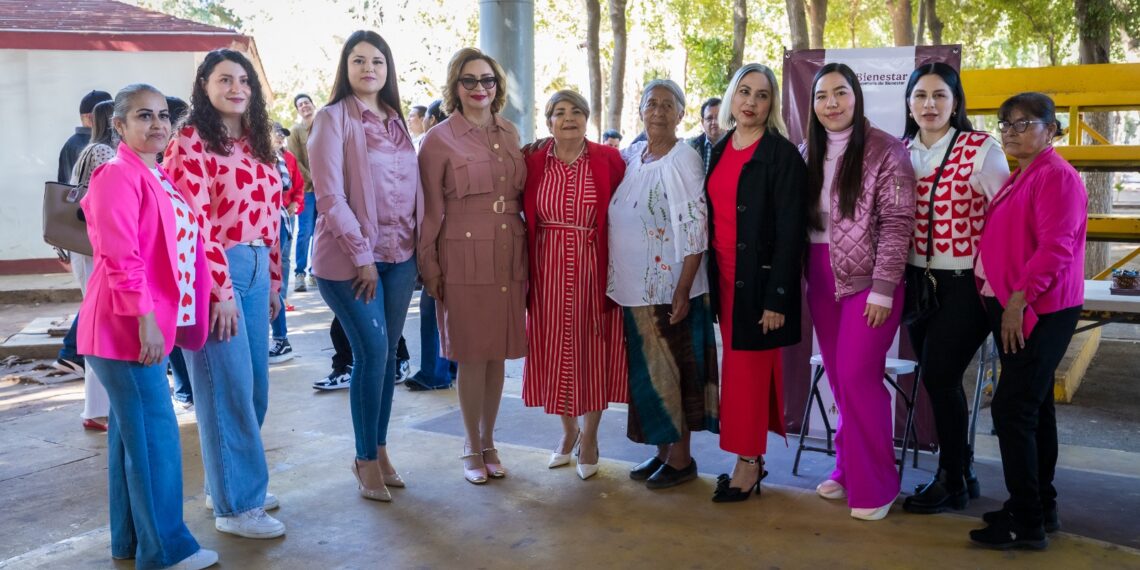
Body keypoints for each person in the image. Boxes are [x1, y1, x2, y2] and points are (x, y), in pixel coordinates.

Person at [78, 83, 218, 570]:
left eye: (163, 115)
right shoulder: (116, 176)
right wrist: (146, 323)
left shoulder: (155, 175)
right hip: (125, 329)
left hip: (138, 326)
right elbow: (121, 259)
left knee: (128, 440)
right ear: (119, 126)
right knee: (157, 437)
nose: (157, 124)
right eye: (143, 116)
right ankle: (167, 551)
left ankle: (131, 543)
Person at [163, 48, 286, 539]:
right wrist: (218, 291)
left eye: (243, 80)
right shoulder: (190, 140)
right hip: (218, 271)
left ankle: (228, 481)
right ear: (204, 86)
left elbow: (272, 214)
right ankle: (237, 506)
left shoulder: (258, 142)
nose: (236, 87)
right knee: (226, 387)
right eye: (224, 79)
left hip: (257, 266)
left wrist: (274, 281)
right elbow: (194, 223)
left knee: (254, 388)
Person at [968, 93, 1086, 550]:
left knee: (1012, 410)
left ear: (1051, 128)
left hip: (1039, 308)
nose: (1012, 131)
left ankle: (1026, 519)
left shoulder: (1056, 176)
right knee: (1035, 408)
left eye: (1023, 123)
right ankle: (1041, 504)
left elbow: (1056, 248)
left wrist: (1017, 302)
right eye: (1006, 124)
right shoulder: (1025, 174)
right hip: (1023, 304)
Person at [308, 30, 422, 501]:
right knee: (372, 353)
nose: (369, 68)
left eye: (377, 60)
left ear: (388, 69)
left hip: (401, 258)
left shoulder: (397, 122)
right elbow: (330, 197)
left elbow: (408, 191)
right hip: (349, 263)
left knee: (389, 356)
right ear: (346, 68)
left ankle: (379, 447)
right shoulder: (332, 120)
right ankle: (364, 458)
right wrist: (362, 256)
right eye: (358, 60)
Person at [803, 63, 916, 521]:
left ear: (857, 96)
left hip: (869, 283)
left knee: (857, 377)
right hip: (820, 276)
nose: (832, 103)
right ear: (812, 105)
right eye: (822, 96)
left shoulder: (886, 150)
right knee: (838, 380)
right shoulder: (804, 150)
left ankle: (879, 484)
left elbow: (897, 224)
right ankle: (848, 467)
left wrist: (884, 289)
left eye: (841, 92)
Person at [899, 63, 1010, 515]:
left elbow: (1006, 218)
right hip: (915, 280)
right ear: (908, 103)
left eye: (939, 95)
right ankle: (960, 473)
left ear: (956, 101)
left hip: (966, 281)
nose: (929, 104)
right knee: (937, 379)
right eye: (920, 95)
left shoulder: (981, 148)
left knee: (940, 374)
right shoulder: (900, 152)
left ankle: (951, 476)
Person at [418, 47, 527, 485]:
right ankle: (469, 443)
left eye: (487, 80)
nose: (480, 88)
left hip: (508, 250)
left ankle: (489, 440)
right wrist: (429, 264)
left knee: (497, 351)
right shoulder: (439, 138)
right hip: (462, 254)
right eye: (470, 80)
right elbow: (427, 209)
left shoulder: (511, 133)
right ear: (455, 87)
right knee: (470, 352)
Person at [609, 79, 718, 490]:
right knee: (648, 377)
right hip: (634, 288)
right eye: (650, 103)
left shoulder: (683, 158)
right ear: (639, 111)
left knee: (672, 374)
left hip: (670, 288)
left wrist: (683, 287)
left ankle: (681, 459)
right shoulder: (635, 154)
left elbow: (695, 225)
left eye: (667, 105)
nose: (657, 111)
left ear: (680, 114)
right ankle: (661, 452)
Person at [706, 64, 807, 502]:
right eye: (744, 92)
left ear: (772, 104)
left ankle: (746, 464)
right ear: (731, 97)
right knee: (743, 371)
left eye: (762, 95)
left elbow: (791, 233)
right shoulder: (719, 147)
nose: (751, 101)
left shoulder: (782, 155)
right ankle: (753, 456)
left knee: (746, 375)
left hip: (759, 285)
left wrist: (777, 298)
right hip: (724, 280)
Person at [521, 90, 627, 481]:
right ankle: (567, 434)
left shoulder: (609, 159)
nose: (569, 118)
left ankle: (591, 439)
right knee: (552, 351)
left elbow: (626, 213)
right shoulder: (531, 160)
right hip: (546, 269)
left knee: (591, 352)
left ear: (588, 118)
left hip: (593, 269)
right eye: (559, 113)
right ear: (548, 122)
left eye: (577, 112)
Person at [53, 89, 113, 380]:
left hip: (81, 239)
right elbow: (85, 199)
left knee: (95, 302)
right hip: (91, 240)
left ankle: (74, 354)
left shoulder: (81, 146)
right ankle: (71, 353)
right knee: (97, 303)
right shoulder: (99, 150)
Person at [69, 100, 116, 432]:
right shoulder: (101, 153)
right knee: (101, 325)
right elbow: (98, 207)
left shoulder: (92, 149)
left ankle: (98, 408)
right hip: (92, 248)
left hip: (86, 248)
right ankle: (96, 409)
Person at [406, 98, 456, 393]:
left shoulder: (430, 144)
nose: (422, 119)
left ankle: (434, 371)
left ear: (434, 119)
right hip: (460, 237)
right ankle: (450, 366)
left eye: (425, 116)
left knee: (432, 304)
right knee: (449, 306)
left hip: (437, 238)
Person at [269, 122, 306, 364]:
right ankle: (279, 337)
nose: (281, 138)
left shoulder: (283, 158)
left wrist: (295, 204)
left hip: (278, 222)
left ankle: (281, 338)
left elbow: (295, 187)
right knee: (272, 283)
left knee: (274, 283)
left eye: (283, 135)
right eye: (277, 134)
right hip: (272, 223)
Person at [288, 93, 318, 291]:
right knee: (305, 231)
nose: (304, 106)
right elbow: (295, 161)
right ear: (298, 110)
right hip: (308, 189)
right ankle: (300, 273)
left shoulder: (325, 126)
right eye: (300, 105)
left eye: (307, 102)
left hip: (327, 189)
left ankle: (316, 272)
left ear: (313, 104)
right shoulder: (296, 131)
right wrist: (314, 179)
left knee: (322, 232)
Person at [689, 97, 724, 173]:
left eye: (719, 117)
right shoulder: (692, 147)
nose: (714, 122)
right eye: (709, 118)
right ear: (702, 122)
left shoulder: (737, 145)